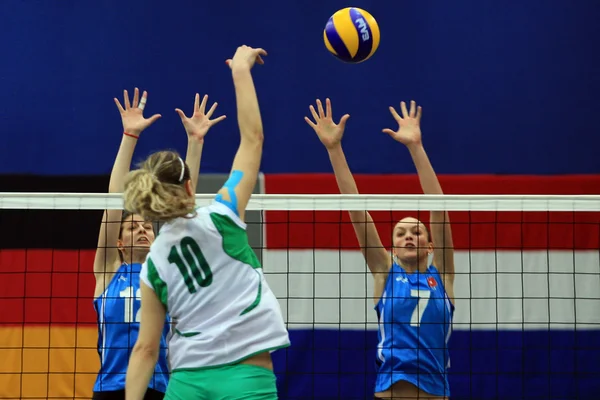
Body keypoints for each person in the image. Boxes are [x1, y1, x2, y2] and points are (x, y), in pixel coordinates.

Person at [123, 45, 290, 400]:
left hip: (187, 384)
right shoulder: (223, 215)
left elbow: (145, 351)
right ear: (189, 186)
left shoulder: (153, 264)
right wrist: (240, 72)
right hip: (247, 377)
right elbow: (252, 140)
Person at [305, 99, 455, 400]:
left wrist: (416, 147)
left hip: (437, 392)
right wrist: (334, 149)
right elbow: (357, 211)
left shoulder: (444, 277)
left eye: (416, 231)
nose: (409, 236)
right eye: (401, 233)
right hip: (390, 392)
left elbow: (438, 209)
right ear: (393, 248)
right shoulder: (385, 272)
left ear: (430, 245)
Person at [92, 87, 225, 400]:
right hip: (111, 389)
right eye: (131, 227)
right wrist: (129, 135)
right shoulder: (109, 271)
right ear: (119, 243)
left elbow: (183, 202)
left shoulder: (164, 270)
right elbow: (113, 202)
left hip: (160, 389)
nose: (141, 230)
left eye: (146, 227)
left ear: (155, 239)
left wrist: (195, 142)